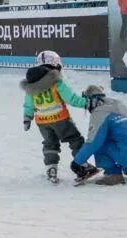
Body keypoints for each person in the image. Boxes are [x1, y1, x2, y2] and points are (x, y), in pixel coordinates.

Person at [20, 50, 98, 184]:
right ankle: (83, 166)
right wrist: (87, 103)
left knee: (50, 144)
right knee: (75, 140)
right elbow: (71, 99)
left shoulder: (31, 84)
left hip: (42, 122)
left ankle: (51, 169)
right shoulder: (56, 82)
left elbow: (28, 104)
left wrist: (27, 118)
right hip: (60, 119)